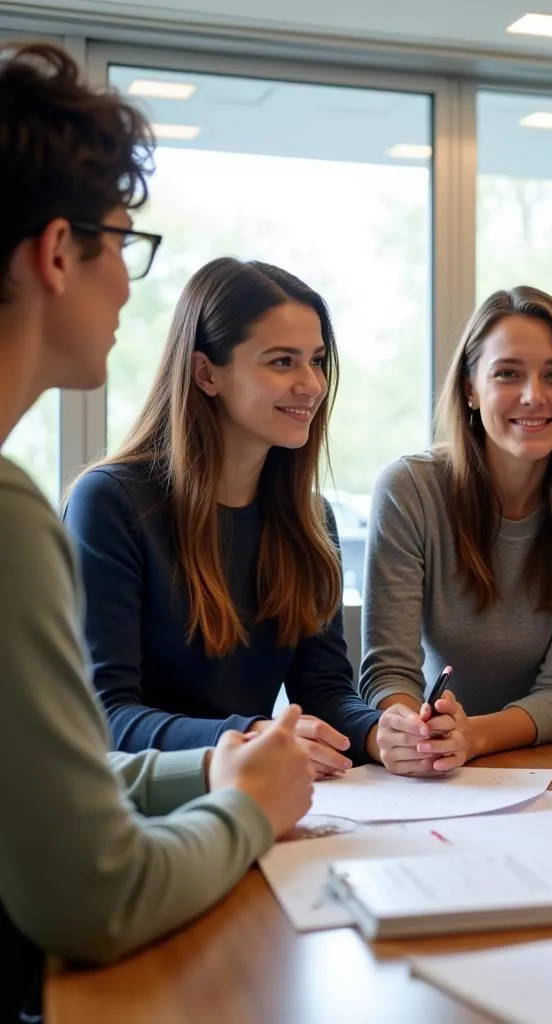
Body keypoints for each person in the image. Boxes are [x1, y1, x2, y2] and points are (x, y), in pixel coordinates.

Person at [0, 43, 314, 1022]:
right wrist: (248, 801)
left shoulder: (293, 513)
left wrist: (213, 767)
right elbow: (97, 895)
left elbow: (47, 776)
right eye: (124, 247)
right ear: (58, 252)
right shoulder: (28, 512)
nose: (133, 288)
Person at [64, 257, 381, 778]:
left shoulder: (311, 517)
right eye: (282, 362)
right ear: (206, 373)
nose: (312, 385)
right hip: (144, 811)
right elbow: (105, 715)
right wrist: (250, 735)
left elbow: (323, 693)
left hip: (255, 800)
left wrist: (379, 731)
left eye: (317, 361)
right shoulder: (111, 501)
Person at [361, 286, 552, 775]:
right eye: (507, 373)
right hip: (433, 757)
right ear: (470, 388)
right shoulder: (409, 489)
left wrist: (474, 735)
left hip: (541, 764)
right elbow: (390, 670)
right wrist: (406, 729)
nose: (534, 396)